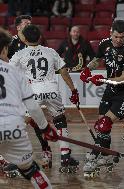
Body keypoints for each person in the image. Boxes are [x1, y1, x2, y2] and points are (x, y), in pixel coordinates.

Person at [9, 24, 80, 173]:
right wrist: (73, 90)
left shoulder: (20, 54)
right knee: (61, 122)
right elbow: (64, 72)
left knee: (22, 123)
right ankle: (65, 158)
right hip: (52, 90)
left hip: (33, 92)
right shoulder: (51, 51)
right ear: (40, 37)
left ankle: (17, 159)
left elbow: (9, 75)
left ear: (24, 39)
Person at [80, 20, 124, 177]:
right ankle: (106, 155)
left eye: (122, 37)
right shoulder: (104, 44)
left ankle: (94, 155)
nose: (118, 40)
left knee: (105, 123)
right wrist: (87, 69)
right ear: (110, 33)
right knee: (101, 126)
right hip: (110, 89)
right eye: (116, 36)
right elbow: (97, 60)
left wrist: (101, 80)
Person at [0, 28, 58, 188]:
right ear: (4, 48)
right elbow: (32, 107)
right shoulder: (16, 72)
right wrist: (45, 128)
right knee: (31, 171)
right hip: (15, 128)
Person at [7, 14, 51, 169]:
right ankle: (15, 156)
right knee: (28, 120)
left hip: (31, 87)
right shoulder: (10, 42)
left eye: (30, 23)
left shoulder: (36, 39)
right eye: (25, 23)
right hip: (15, 86)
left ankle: (45, 150)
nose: (29, 25)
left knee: (31, 119)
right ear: (18, 27)